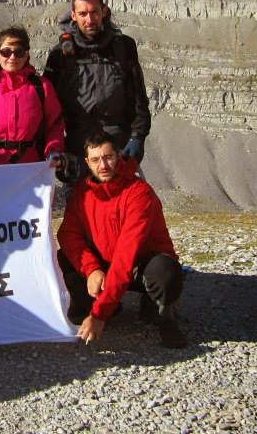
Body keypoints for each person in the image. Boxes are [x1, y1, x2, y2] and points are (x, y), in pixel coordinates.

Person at [56, 131, 185, 348]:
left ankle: (164, 317)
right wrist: (92, 269)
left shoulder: (138, 193)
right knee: (65, 257)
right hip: (104, 262)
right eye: (95, 160)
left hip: (140, 263)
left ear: (119, 156)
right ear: (87, 162)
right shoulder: (82, 192)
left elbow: (127, 254)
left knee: (165, 272)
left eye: (108, 157)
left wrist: (99, 315)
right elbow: (68, 234)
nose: (103, 165)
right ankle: (98, 305)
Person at [43, 0, 151, 177]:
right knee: (80, 206)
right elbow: (48, 108)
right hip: (77, 150)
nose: (89, 19)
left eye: (94, 12)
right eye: (83, 13)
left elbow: (139, 99)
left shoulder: (124, 47)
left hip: (119, 148)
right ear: (73, 15)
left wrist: (137, 138)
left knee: (132, 204)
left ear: (104, 11)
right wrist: (54, 147)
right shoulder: (60, 55)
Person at [0, 26, 66, 165]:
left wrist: (53, 151)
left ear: (27, 55)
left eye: (19, 52)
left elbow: (55, 125)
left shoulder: (42, 87)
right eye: (6, 52)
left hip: (32, 167)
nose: (12, 57)